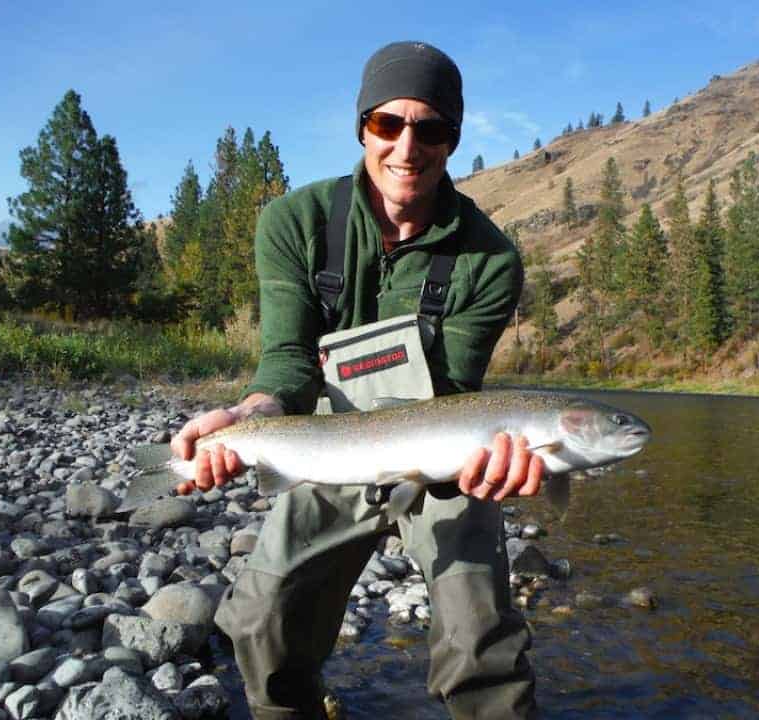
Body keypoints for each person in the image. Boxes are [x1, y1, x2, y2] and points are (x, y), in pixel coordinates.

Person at [171, 41, 543, 720]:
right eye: (387, 124)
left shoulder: (490, 259)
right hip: (328, 447)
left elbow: (456, 395)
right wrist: (246, 417)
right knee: (260, 621)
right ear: (362, 127)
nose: (407, 146)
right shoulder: (295, 222)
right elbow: (284, 363)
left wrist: (496, 464)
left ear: (453, 138)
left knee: (480, 643)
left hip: (441, 461)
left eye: (430, 128)